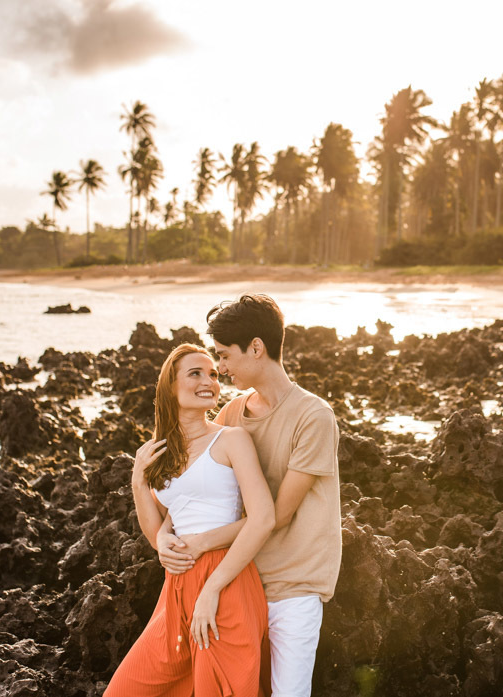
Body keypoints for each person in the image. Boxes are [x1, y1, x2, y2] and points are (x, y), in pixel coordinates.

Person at [157, 294, 341, 697]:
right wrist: (165, 533)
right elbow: (194, 483)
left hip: (294, 587)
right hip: (240, 582)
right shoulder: (232, 414)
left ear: (256, 348)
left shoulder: (314, 416)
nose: (218, 369)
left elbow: (277, 514)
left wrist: (202, 542)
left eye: (223, 356)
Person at [106, 343, 275, 697]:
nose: (209, 381)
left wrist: (211, 585)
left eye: (213, 373)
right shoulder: (157, 452)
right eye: (195, 373)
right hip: (176, 588)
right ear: (170, 385)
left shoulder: (232, 440)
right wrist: (138, 481)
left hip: (226, 581)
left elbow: (262, 519)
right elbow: (158, 536)